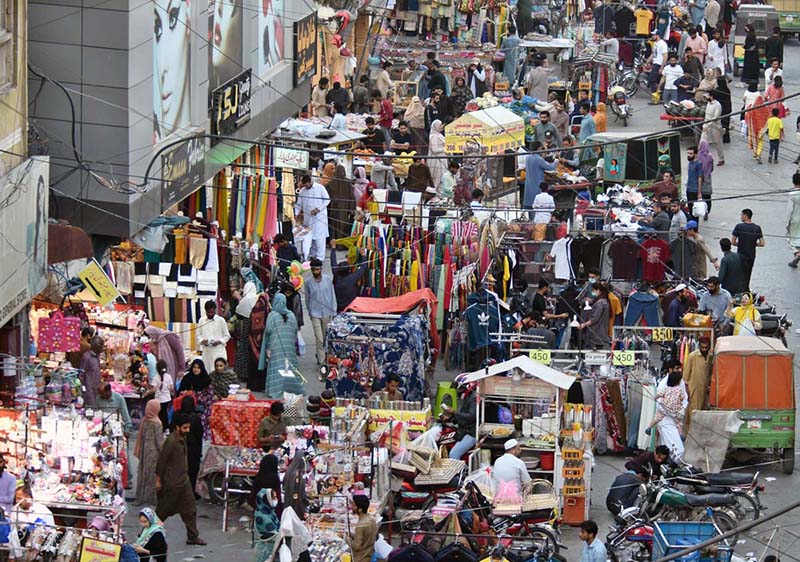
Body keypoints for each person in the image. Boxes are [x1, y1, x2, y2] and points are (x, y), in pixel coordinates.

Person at [155, 413, 206, 546]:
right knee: (162, 512)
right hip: (172, 484)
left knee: (190, 510)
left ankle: (192, 537)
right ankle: (147, 533)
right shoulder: (171, 441)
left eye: (188, 427)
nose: (187, 431)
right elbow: (162, 462)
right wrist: (159, 480)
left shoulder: (182, 438)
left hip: (184, 481)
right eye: (185, 428)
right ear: (177, 427)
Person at [260, 293, 303, 399]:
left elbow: (268, 330)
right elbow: (295, 330)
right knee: (289, 367)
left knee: (276, 367)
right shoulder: (291, 315)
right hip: (289, 347)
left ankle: (275, 390)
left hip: (275, 348)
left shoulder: (272, 315)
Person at [645, 362, 688, 461]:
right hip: (666, 420)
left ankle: (669, 462)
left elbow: (684, 397)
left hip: (676, 417)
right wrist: (669, 412)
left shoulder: (680, 383)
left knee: (669, 444)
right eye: (677, 368)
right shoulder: (663, 384)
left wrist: (682, 409)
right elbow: (659, 402)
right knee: (676, 448)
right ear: (670, 369)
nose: (679, 370)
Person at [305, 258, 336, 364]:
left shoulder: (327, 280)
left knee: (325, 337)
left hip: (327, 312)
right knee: (319, 339)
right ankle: (322, 362)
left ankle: (325, 356)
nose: (315, 272)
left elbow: (332, 296)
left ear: (321, 269)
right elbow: (307, 299)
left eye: (317, 270)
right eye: (313, 270)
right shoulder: (308, 282)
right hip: (315, 313)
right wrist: (310, 313)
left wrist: (334, 312)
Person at [294, 174, 330, 261]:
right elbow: (299, 204)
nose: (306, 187)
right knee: (310, 237)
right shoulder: (302, 191)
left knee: (319, 238)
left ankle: (320, 257)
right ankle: (312, 255)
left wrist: (318, 209)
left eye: (307, 185)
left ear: (311, 182)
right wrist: (296, 214)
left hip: (319, 217)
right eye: (305, 186)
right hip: (308, 218)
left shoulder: (320, 188)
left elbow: (327, 200)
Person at [134, 399, 163, 506]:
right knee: (152, 475)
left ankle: (139, 498)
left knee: (142, 474)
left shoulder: (145, 420)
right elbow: (159, 442)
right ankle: (152, 499)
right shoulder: (157, 423)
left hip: (144, 451)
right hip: (154, 453)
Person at [177, 359, 214, 438]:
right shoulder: (187, 378)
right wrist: (185, 393)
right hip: (187, 407)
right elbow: (180, 393)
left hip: (202, 408)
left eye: (198, 368)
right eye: (194, 367)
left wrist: (197, 396)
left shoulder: (206, 380)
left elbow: (210, 398)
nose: (196, 369)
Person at [443, 378, 477, 460]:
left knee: (453, 454)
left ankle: (459, 472)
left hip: (472, 433)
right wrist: (450, 418)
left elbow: (471, 417)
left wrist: (454, 412)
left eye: (459, 389)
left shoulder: (473, 399)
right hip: (465, 430)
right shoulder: (468, 398)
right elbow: (463, 417)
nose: (457, 392)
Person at [683, 336, 712, 430]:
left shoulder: (710, 356)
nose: (704, 349)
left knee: (702, 413)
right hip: (694, 389)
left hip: (705, 390)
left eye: (706, 348)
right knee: (693, 412)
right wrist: (687, 391)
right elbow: (685, 377)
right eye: (702, 347)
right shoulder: (692, 356)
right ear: (699, 346)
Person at [731, 208, 764, 290]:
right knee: (748, 274)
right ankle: (746, 290)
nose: (741, 217)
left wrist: (742, 243)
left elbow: (733, 242)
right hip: (751, 255)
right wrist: (752, 244)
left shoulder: (739, 226)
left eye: (741, 215)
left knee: (740, 274)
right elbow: (762, 243)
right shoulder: (757, 228)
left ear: (745, 216)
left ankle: (739, 291)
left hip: (741, 255)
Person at [330, 243, 367, 311]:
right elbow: (363, 268)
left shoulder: (336, 275)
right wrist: (363, 255)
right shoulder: (352, 278)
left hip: (338, 306)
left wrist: (333, 248)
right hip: (351, 306)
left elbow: (333, 262)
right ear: (349, 271)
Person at [196, 301, 230, 370]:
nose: (210, 314)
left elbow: (227, 336)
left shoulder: (221, 320)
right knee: (207, 370)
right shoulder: (201, 320)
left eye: (212, 312)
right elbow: (198, 336)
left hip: (218, 351)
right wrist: (203, 341)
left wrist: (219, 341)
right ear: (205, 311)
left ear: (215, 310)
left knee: (219, 372)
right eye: (208, 312)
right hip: (207, 352)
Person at [524, 142, 557, 210]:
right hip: (537, 185)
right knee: (537, 205)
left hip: (529, 184)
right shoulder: (538, 159)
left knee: (529, 205)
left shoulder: (527, 157)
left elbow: (538, 162)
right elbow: (550, 167)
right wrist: (556, 161)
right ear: (539, 148)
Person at [347, 494, 378, 562]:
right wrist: (349, 534)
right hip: (369, 554)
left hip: (361, 558)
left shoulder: (360, 525)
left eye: (354, 505)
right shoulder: (372, 519)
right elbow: (364, 537)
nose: (351, 507)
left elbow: (356, 547)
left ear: (360, 509)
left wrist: (346, 538)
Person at [79, 335, 104, 407]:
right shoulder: (87, 357)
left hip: (96, 390)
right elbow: (81, 375)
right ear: (96, 346)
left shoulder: (96, 357)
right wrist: (84, 391)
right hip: (89, 392)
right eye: (101, 346)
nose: (102, 348)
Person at [684, 145, 705, 218]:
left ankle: (695, 227)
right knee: (690, 209)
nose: (688, 155)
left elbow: (700, 178)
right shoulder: (690, 163)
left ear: (695, 154)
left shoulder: (698, 164)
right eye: (688, 153)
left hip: (694, 190)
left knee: (695, 211)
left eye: (690, 153)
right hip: (688, 189)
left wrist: (699, 192)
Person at [428, 120, 447, 189]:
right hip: (437, 161)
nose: (442, 127)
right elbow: (434, 149)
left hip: (443, 159)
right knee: (437, 179)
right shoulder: (434, 137)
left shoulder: (440, 135)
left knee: (443, 179)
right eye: (440, 125)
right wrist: (445, 149)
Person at [788, 172, 800, 268]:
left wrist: (787, 222)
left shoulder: (792, 194)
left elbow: (789, 210)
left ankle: (797, 253)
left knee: (791, 238)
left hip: (795, 219)